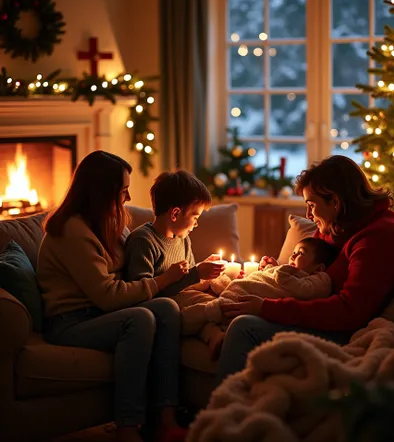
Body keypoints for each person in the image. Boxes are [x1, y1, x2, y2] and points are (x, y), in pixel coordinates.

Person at [216, 155, 394, 384]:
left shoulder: (378, 238)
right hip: (319, 312)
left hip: (345, 328)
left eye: (311, 205)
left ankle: (225, 412)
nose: (308, 215)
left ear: (335, 201)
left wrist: (267, 308)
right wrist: (279, 270)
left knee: (245, 327)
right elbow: (309, 275)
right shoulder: (335, 227)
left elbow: (349, 311)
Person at [37, 151, 189, 442]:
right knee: (140, 318)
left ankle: (166, 417)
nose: (128, 197)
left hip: (97, 313)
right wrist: (163, 280)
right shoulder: (72, 230)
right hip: (69, 322)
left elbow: (127, 275)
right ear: (101, 191)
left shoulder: (110, 222)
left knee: (167, 309)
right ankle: (128, 426)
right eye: (123, 190)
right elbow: (107, 295)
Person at [123, 170, 226, 359]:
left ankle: (214, 337)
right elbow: (141, 294)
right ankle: (217, 330)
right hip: (160, 309)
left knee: (213, 298)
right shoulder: (142, 241)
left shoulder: (183, 240)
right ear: (175, 213)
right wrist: (196, 273)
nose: (196, 224)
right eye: (195, 217)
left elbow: (188, 282)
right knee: (208, 306)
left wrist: (204, 272)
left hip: (183, 301)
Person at [179, 237, 337, 355]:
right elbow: (272, 281)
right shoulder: (291, 274)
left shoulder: (318, 280)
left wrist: (281, 270)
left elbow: (297, 288)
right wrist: (270, 267)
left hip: (240, 302)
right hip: (238, 292)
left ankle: (176, 324)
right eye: (293, 252)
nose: (293, 256)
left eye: (300, 253)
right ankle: (216, 337)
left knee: (203, 313)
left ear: (319, 268)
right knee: (208, 318)